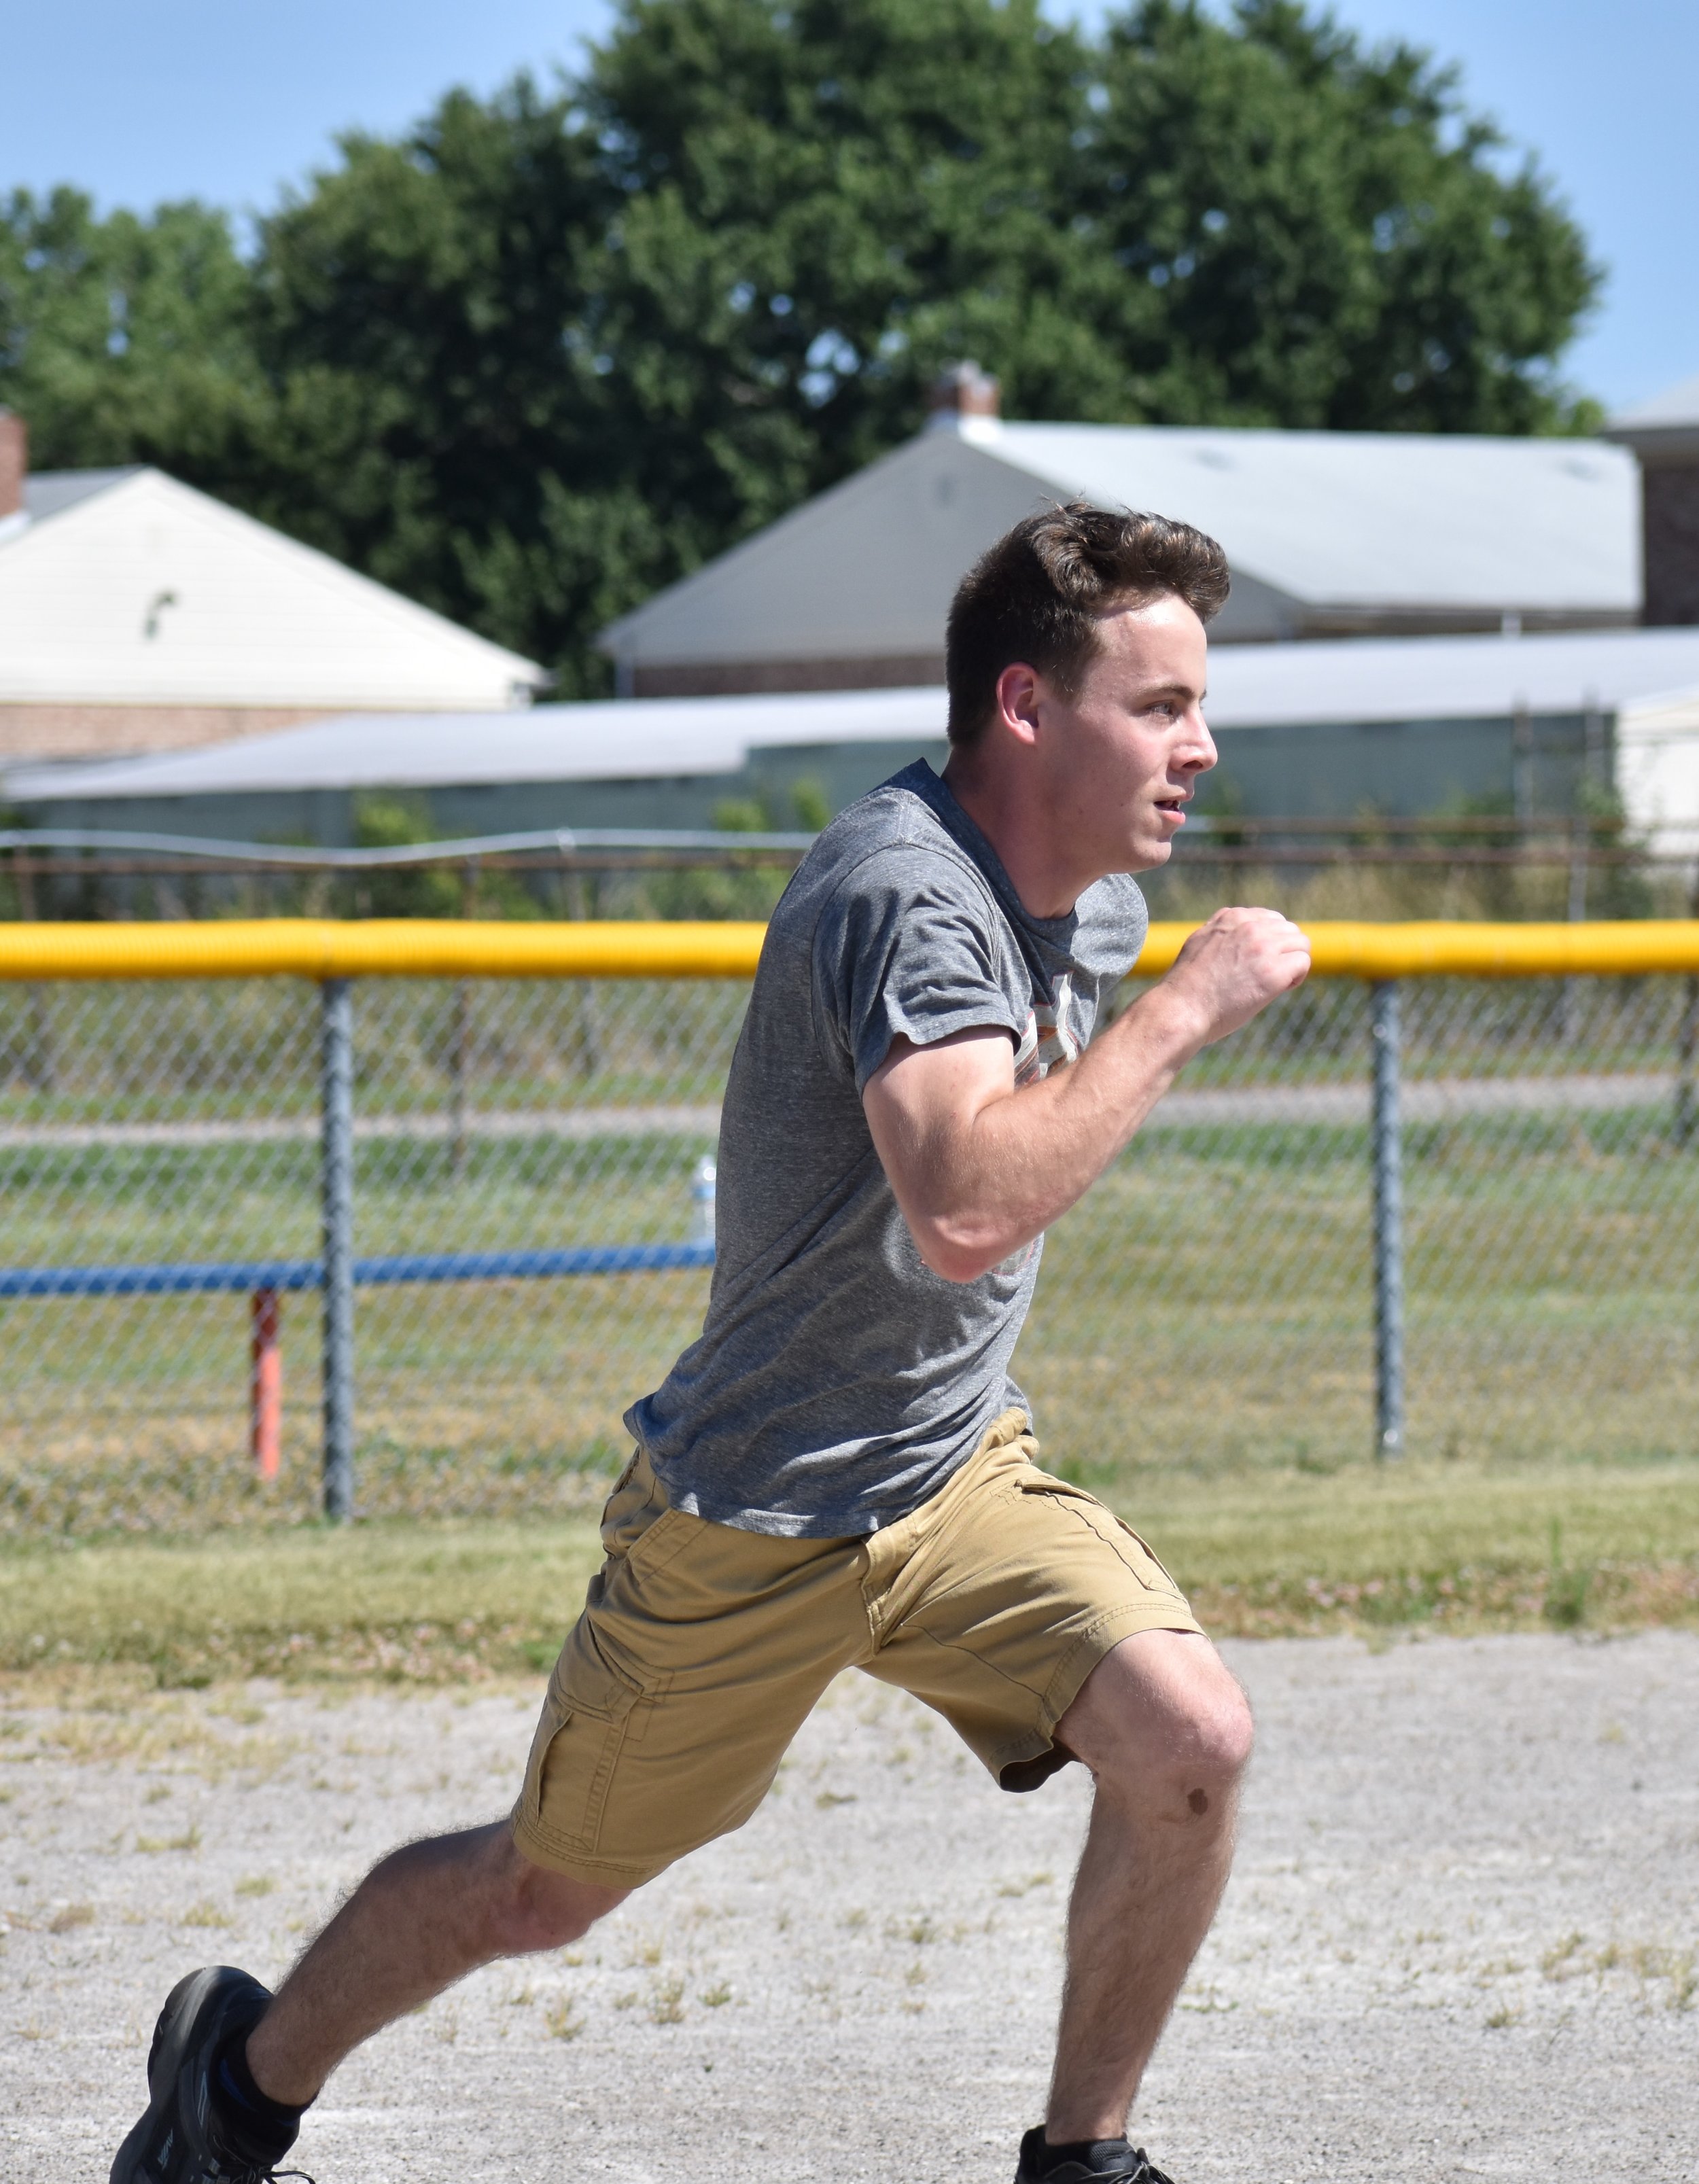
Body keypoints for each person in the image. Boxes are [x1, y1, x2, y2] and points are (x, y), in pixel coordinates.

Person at [112, 501, 1310, 2184]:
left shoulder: (1091, 899)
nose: (1200, 744)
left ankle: (1081, 2159)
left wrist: (1148, 987)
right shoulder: (908, 894)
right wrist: (1190, 1007)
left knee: (1190, 1740)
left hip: (955, 1471)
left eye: (1197, 703)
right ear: (1027, 709)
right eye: (1160, 702)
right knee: (543, 1884)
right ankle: (230, 2086)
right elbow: (965, 1203)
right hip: (754, 1508)